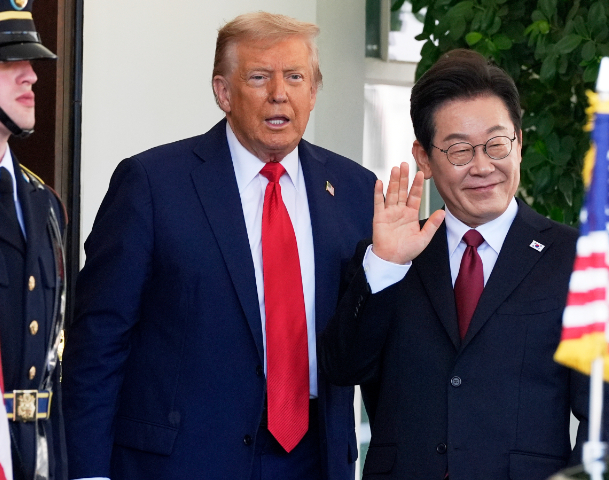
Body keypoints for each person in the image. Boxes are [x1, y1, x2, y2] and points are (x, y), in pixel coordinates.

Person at [61, 11, 375, 480]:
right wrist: (87, 472)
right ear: (223, 92)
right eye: (258, 77)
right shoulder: (152, 183)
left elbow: (367, 342)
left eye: (295, 77)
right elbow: (98, 343)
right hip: (182, 462)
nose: (279, 93)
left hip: (314, 461)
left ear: (313, 92)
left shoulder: (354, 189)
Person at [318, 49, 609, 480]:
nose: (483, 166)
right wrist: (385, 265)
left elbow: (605, 414)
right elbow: (342, 367)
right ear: (424, 159)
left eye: (496, 144)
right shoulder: (389, 256)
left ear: (519, 144)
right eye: (460, 150)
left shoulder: (576, 260)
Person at [0, 1, 67, 479]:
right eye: (9, 61)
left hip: (38, 456)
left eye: (30, 62)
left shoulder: (44, 202)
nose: (31, 76)